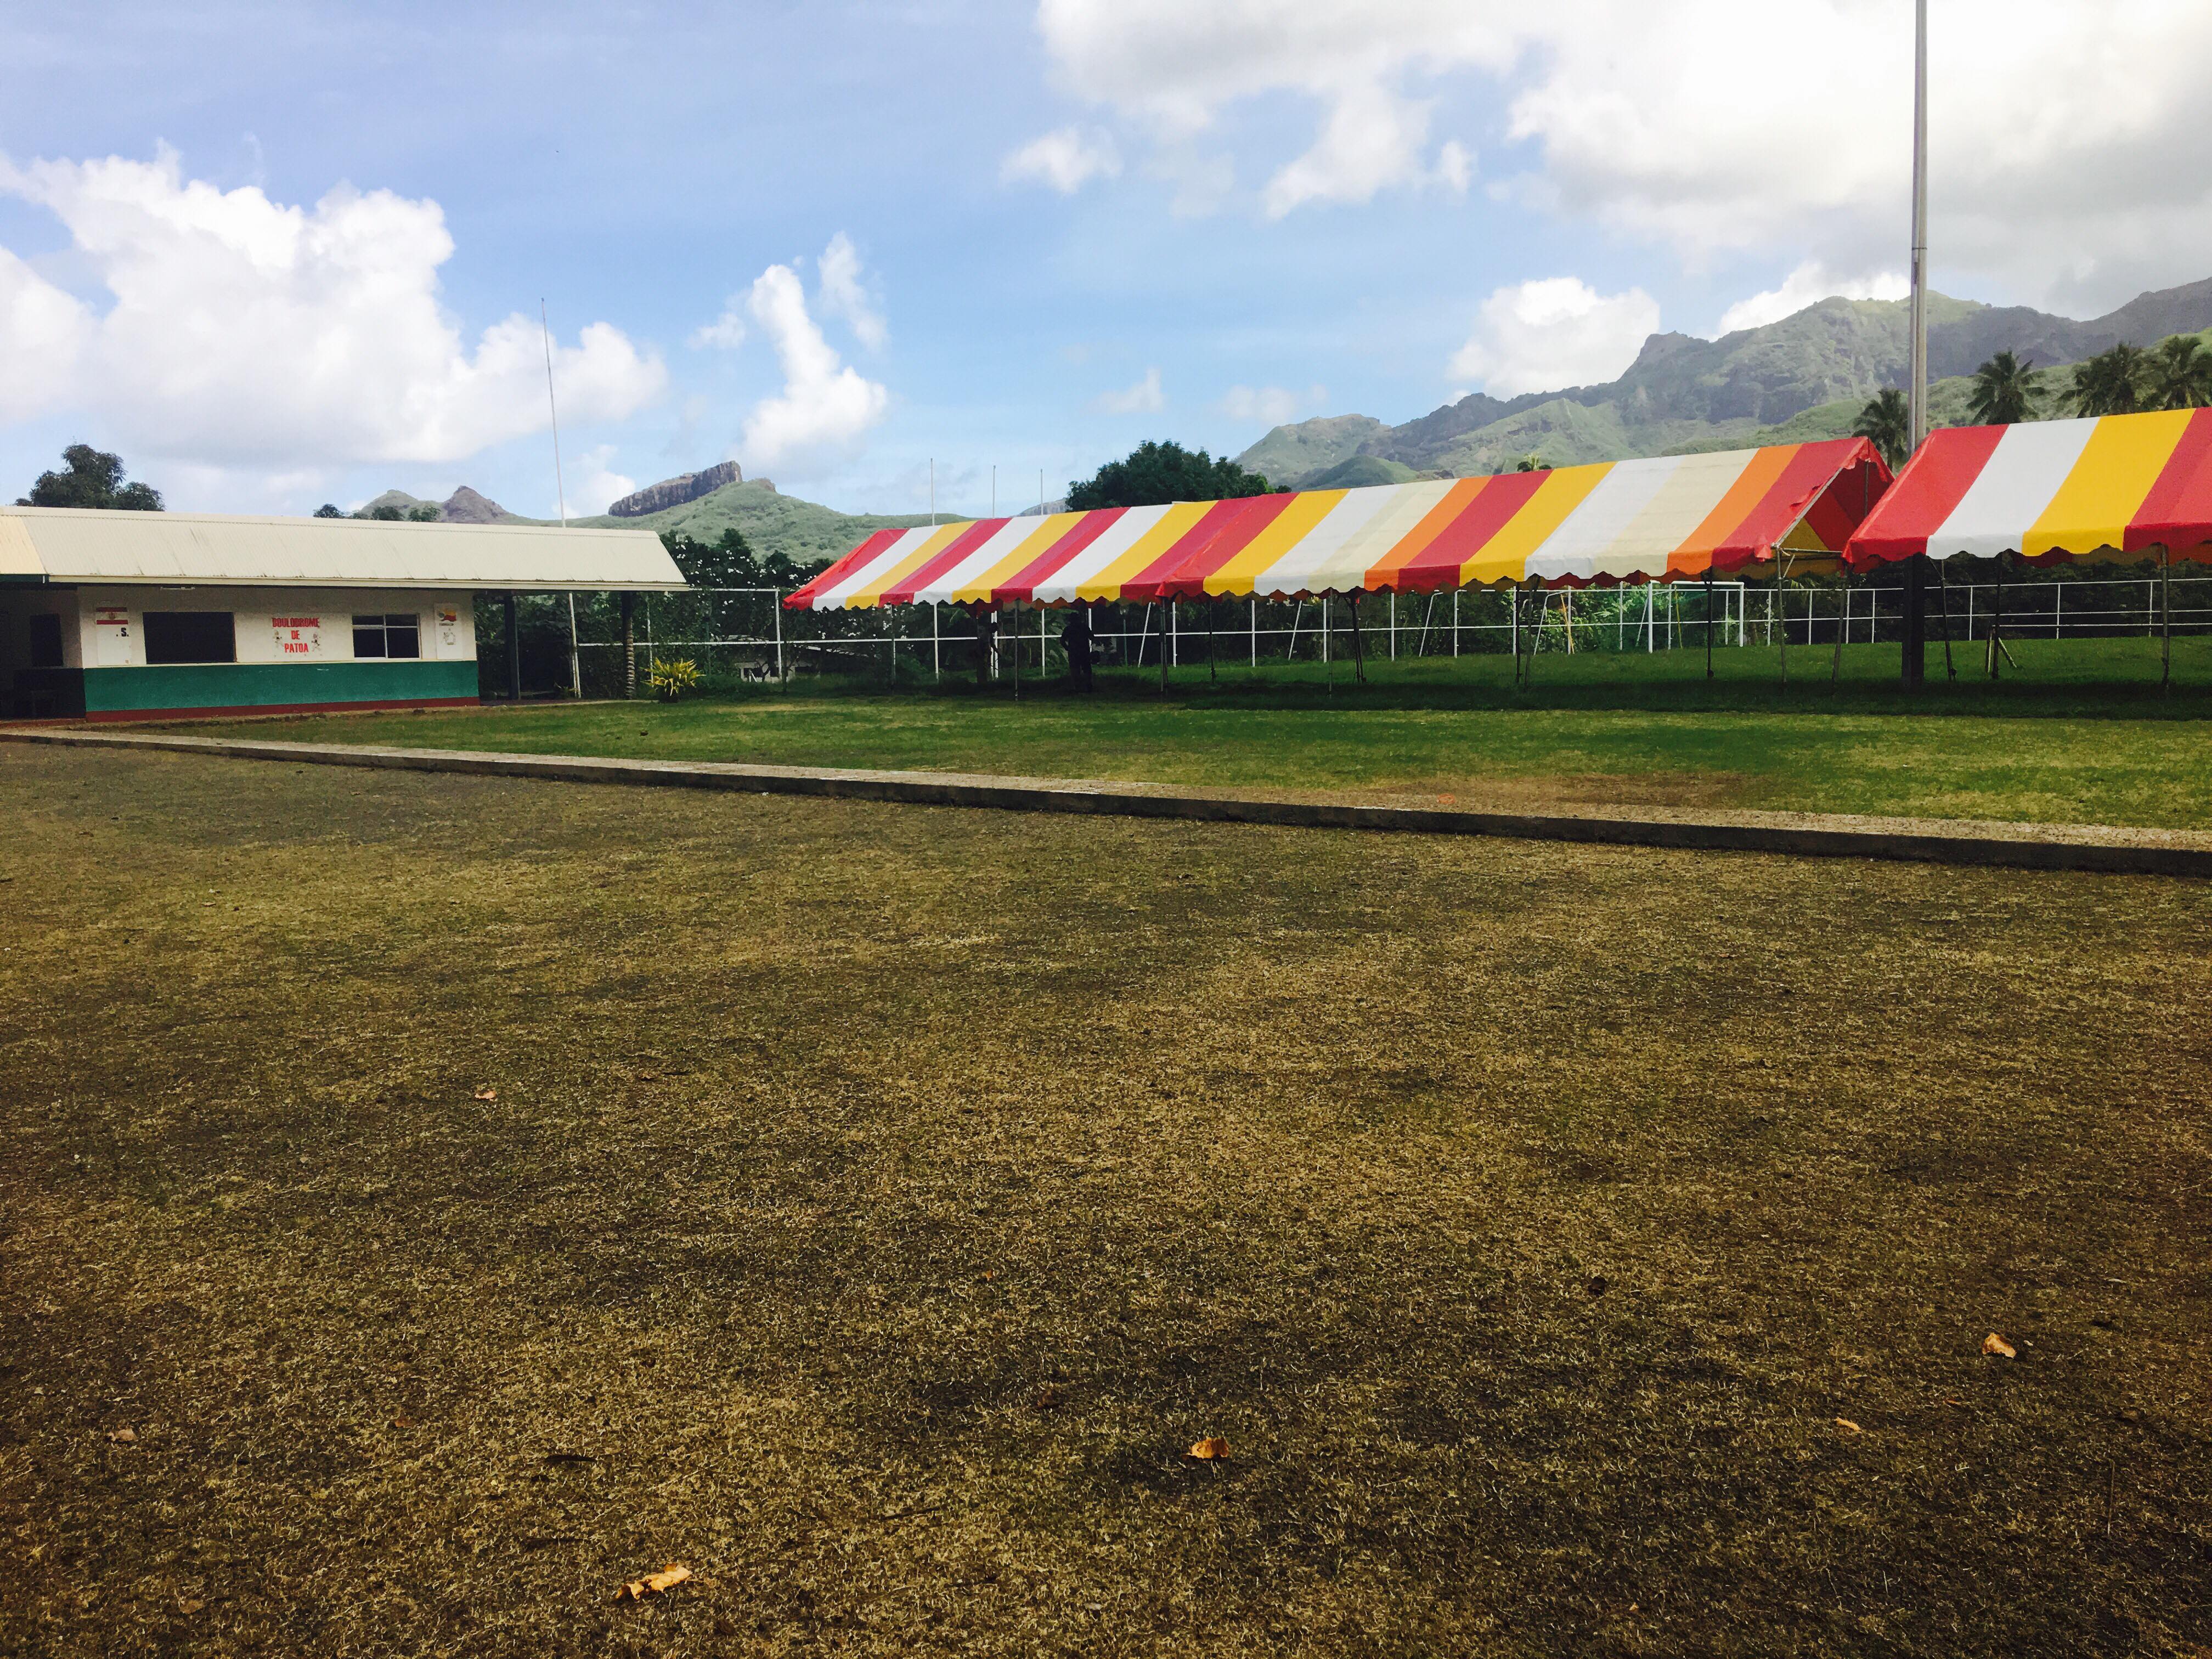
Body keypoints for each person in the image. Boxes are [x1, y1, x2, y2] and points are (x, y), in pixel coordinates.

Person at [1062, 605, 1095, 691]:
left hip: (1074, 653)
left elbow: (1062, 641)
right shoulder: (1084, 627)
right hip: (1084, 652)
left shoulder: (1069, 629)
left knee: (1075, 671)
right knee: (1086, 670)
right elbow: (1092, 638)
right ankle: (1088, 687)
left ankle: (1078, 688)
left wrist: (1067, 648)